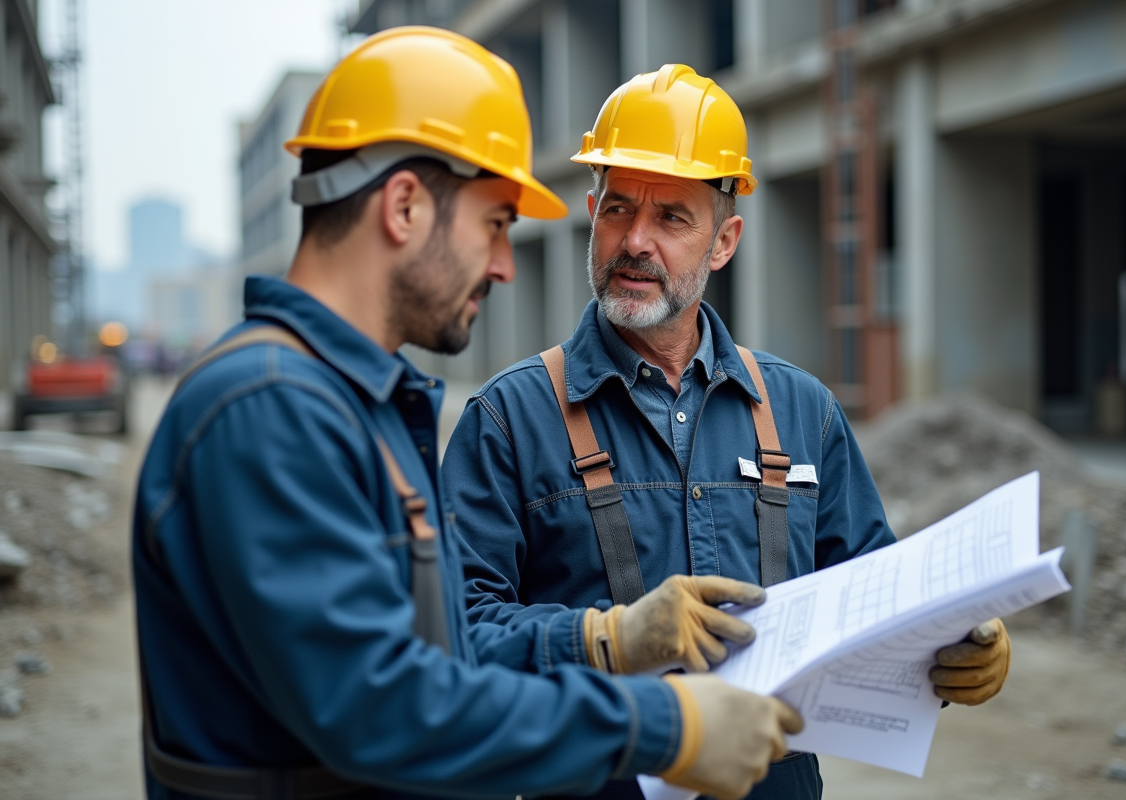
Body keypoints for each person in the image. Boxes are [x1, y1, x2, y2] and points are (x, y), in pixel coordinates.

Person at [132, 32, 804, 800]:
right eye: (494, 223)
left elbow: (441, 655)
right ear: (406, 206)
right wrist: (660, 722)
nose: (504, 264)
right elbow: (386, 708)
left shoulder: (353, 408)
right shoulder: (270, 411)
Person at [443, 64, 1012, 799]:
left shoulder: (803, 411)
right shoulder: (508, 422)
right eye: (617, 210)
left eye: (672, 217)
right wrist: (604, 640)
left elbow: (875, 605)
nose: (635, 241)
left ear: (724, 240)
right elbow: (453, 646)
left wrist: (952, 648)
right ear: (591, 213)